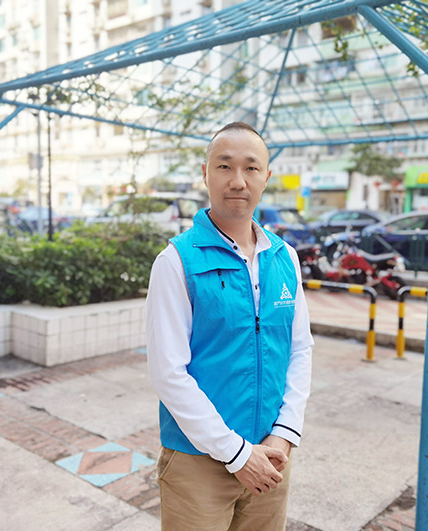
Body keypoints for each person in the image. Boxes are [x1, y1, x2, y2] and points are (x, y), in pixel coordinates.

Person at [146, 122, 314, 530]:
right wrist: (237, 454)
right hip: (197, 462)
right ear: (206, 174)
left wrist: (284, 433)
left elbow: (299, 348)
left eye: (251, 168)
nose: (238, 180)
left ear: (266, 177)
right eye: (224, 166)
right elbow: (168, 373)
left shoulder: (285, 257)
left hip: (272, 455)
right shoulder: (176, 261)